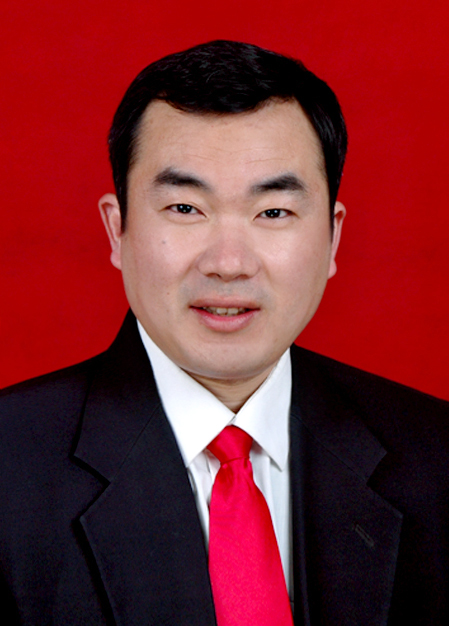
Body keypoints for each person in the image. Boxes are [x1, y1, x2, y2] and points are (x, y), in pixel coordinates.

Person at [0, 40, 448, 626]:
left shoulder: (435, 459)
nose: (229, 263)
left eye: (273, 213)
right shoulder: (10, 470)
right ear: (117, 230)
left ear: (333, 238)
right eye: (186, 209)